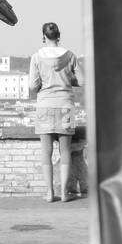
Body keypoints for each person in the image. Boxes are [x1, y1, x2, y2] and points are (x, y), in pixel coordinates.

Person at [29, 22, 82, 203]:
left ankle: (50, 192)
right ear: (59, 36)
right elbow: (81, 80)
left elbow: (32, 85)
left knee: (46, 152)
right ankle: (65, 193)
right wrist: (67, 79)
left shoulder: (36, 57)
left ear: (43, 37)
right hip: (65, 105)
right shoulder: (70, 56)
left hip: (45, 105)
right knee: (65, 151)